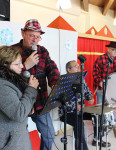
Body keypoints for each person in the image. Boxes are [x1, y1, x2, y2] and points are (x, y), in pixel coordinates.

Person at [12, 19, 60, 150]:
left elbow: (52, 69)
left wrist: (56, 83)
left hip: (40, 102)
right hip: (20, 103)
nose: (35, 40)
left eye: (38, 37)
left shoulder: (43, 51)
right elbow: (6, 78)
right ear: (23, 33)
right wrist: (26, 66)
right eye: (31, 35)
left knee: (49, 135)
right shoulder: (12, 51)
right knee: (19, 140)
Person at [0, 46, 39, 150]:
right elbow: (19, 113)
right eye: (17, 64)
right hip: (11, 144)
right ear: (5, 65)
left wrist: (28, 108)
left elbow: (19, 105)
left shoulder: (13, 80)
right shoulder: (2, 86)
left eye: (21, 62)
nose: (22, 66)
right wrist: (31, 88)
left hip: (18, 139)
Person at [93, 41, 116, 146]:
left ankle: (105, 129)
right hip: (101, 89)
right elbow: (94, 72)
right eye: (113, 49)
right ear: (108, 49)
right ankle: (97, 136)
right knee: (100, 112)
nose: (115, 52)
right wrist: (100, 82)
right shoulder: (101, 58)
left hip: (112, 90)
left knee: (109, 111)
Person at [58, 60, 94, 150]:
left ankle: (97, 139)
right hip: (67, 113)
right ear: (69, 69)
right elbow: (62, 101)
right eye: (76, 66)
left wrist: (90, 98)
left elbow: (87, 92)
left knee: (96, 115)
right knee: (79, 123)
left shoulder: (81, 79)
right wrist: (75, 106)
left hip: (80, 111)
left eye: (78, 66)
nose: (79, 67)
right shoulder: (63, 82)